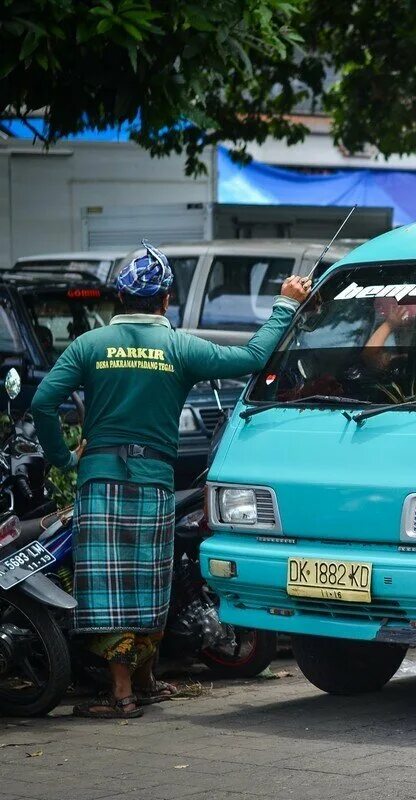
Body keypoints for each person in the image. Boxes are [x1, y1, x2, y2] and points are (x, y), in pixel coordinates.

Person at [30, 242, 312, 719]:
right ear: (165, 301)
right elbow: (254, 355)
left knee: (108, 585)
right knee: (150, 579)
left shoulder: (89, 346)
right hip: (155, 480)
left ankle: (125, 690)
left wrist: (63, 458)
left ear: (121, 299)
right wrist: (286, 302)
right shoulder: (180, 347)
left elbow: (41, 403)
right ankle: (140, 683)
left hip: (100, 480)